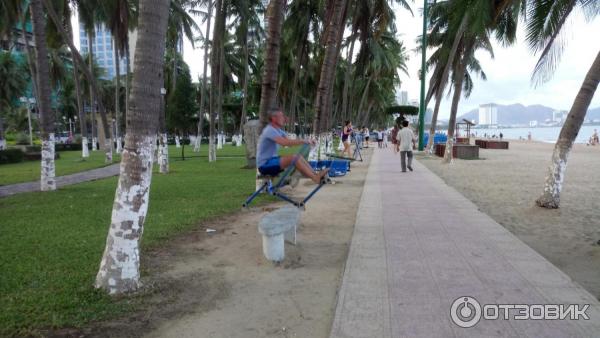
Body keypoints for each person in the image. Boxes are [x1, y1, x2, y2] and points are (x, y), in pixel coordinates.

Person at [257, 108, 328, 184]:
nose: (284, 118)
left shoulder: (278, 130)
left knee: (298, 156)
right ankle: (315, 178)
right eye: (281, 116)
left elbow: (290, 140)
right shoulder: (269, 130)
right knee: (294, 158)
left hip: (273, 160)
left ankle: (315, 175)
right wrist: (304, 141)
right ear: (274, 118)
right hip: (265, 165)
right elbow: (284, 143)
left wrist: (307, 140)